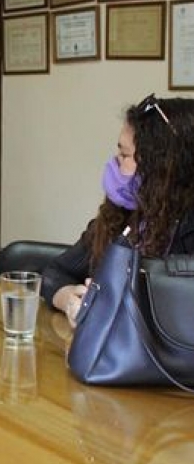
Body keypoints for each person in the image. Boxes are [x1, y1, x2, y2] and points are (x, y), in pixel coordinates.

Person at [42, 95, 194, 326]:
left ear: (163, 164)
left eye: (125, 155)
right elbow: (54, 273)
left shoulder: (187, 230)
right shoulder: (120, 217)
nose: (115, 164)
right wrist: (70, 299)